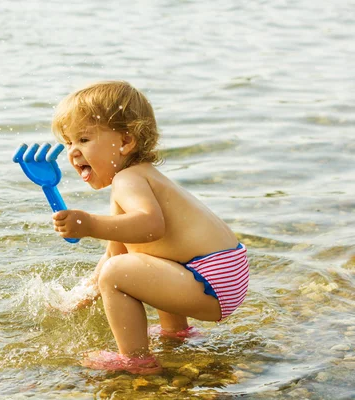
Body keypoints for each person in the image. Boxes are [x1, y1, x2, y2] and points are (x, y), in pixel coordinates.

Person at [50, 81, 249, 375]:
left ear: (126, 142)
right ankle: (176, 334)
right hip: (225, 274)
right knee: (133, 260)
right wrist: (78, 297)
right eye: (68, 143)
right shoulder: (143, 177)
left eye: (83, 139)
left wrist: (89, 224)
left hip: (211, 281)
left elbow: (150, 226)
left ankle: (136, 359)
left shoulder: (127, 180)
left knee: (118, 274)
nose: (73, 152)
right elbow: (113, 254)